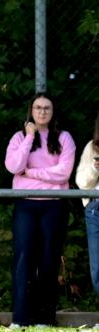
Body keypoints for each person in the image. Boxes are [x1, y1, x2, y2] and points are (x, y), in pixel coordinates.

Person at [4, 92, 76, 328]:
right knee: (24, 259)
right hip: (26, 204)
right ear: (31, 111)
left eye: (47, 108)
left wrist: (30, 174)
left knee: (48, 260)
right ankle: (21, 318)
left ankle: (45, 317)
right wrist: (29, 136)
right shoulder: (19, 138)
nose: (42, 111)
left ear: (53, 112)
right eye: (38, 108)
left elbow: (63, 173)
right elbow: (14, 166)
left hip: (54, 205)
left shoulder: (64, 138)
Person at [75, 111, 99, 301]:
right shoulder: (92, 148)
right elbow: (82, 183)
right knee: (97, 269)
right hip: (96, 209)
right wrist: (94, 168)